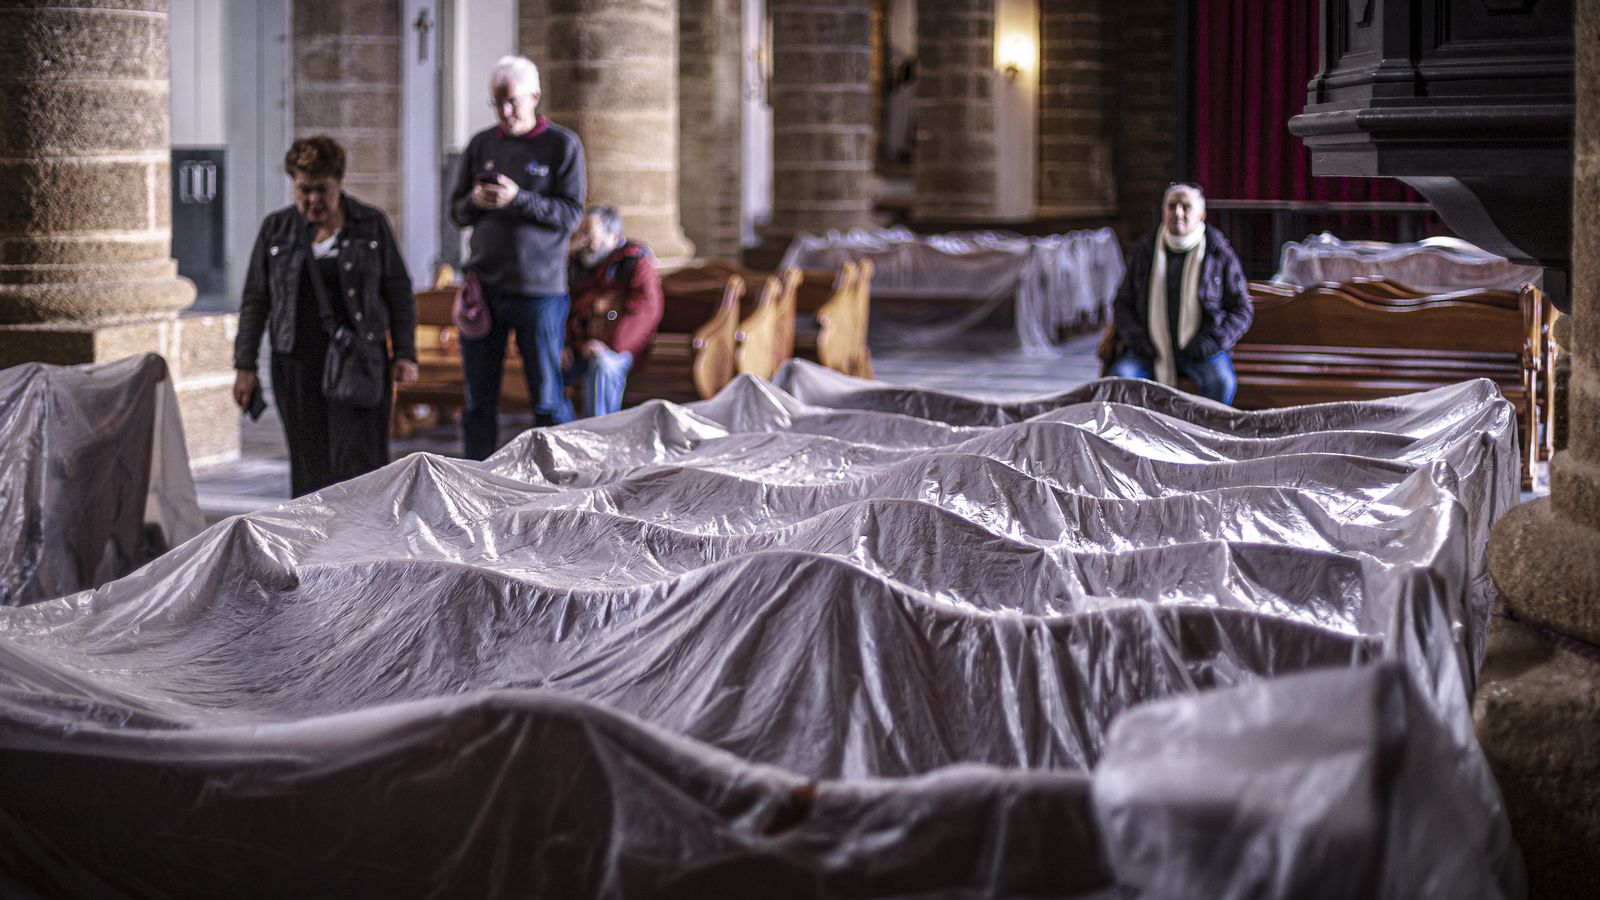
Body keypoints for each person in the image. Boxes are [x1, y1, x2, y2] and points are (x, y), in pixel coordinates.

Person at [232, 136, 418, 497]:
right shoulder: (277, 230)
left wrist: (406, 353)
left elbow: (398, 291)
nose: (313, 200)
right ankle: (315, 548)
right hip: (297, 365)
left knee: (361, 467)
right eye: (304, 190)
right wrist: (245, 365)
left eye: (322, 189)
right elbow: (256, 300)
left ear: (339, 182)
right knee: (309, 467)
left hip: (360, 362)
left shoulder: (370, 225)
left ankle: (367, 546)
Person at [449, 55, 587, 459]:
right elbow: (456, 213)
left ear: (534, 97)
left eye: (512, 101)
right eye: (497, 102)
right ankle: (474, 482)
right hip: (486, 288)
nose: (505, 112)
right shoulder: (482, 144)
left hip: (539, 292)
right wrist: (475, 200)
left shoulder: (562, 145)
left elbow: (570, 216)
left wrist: (518, 199)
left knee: (546, 399)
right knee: (478, 401)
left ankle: (558, 482)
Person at [1108, 183, 1252, 404]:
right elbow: (1122, 303)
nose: (1178, 213)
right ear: (1164, 211)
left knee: (1221, 382)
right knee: (1119, 378)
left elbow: (1242, 310)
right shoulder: (1143, 252)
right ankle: (1133, 436)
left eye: (1186, 207)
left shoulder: (1219, 253)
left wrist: (1213, 342)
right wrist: (1137, 339)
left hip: (1202, 351)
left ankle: (1204, 437)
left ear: (1201, 215)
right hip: (1149, 350)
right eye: (1172, 206)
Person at [563, 206, 664, 418]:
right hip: (579, 346)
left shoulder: (634, 261)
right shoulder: (574, 264)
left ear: (613, 236)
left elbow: (645, 309)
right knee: (546, 363)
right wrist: (564, 344)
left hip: (620, 347)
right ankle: (562, 434)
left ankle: (598, 436)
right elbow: (564, 306)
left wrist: (608, 345)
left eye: (589, 234)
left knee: (603, 365)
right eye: (581, 233)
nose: (582, 241)